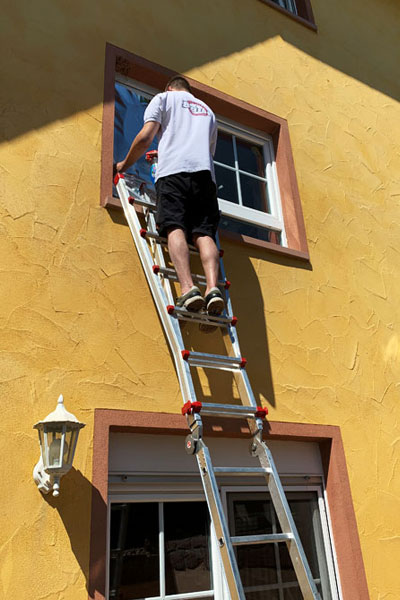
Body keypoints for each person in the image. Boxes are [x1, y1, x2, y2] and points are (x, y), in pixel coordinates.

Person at [116, 76, 224, 316]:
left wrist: (124, 164)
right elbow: (206, 151)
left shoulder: (163, 99)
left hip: (174, 173)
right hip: (205, 178)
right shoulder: (207, 111)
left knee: (174, 225)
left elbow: (145, 137)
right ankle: (213, 289)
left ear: (169, 88)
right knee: (204, 233)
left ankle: (188, 288)